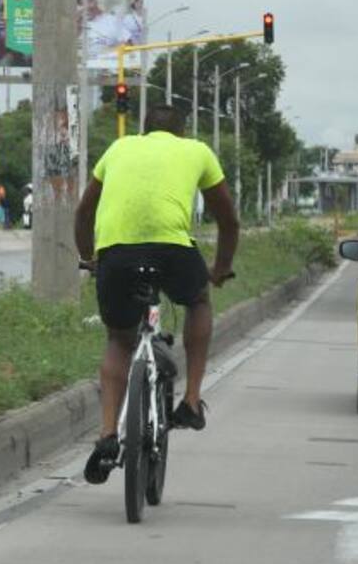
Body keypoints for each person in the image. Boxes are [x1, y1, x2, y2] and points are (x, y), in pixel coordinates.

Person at [74, 104, 240, 485]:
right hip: (173, 251)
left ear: (143, 132)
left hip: (116, 253)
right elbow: (228, 219)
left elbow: (84, 213)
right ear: (180, 134)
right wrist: (219, 269)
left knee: (119, 339)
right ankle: (192, 400)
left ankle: (106, 435)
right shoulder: (196, 151)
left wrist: (89, 259)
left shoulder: (119, 148)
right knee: (198, 301)